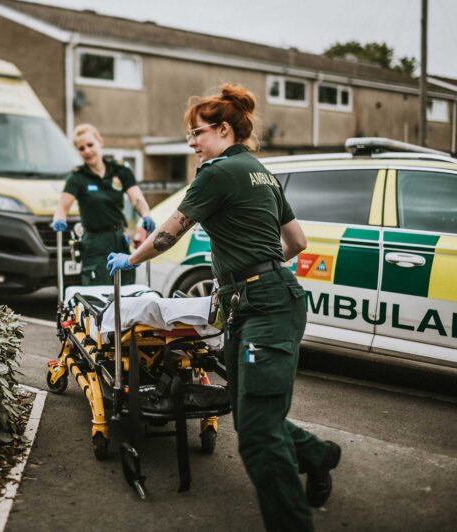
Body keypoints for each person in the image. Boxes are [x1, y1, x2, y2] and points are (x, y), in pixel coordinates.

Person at [107, 84, 341, 531]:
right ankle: (318, 454)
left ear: (223, 130)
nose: (192, 143)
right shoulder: (260, 171)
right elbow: (297, 242)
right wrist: (260, 266)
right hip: (258, 300)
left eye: (197, 133)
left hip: (263, 306)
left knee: (256, 435)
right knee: (249, 410)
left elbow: (170, 233)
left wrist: (130, 260)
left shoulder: (215, 173)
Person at [52, 123, 154, 286]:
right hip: (94, 243)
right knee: (98, 292)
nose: (86, 151)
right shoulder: (78, 177)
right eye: (81, 148)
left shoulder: (120, 171)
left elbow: (137, 199)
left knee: (125, 289)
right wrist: (59, 219)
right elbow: (62, 206)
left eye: (90, 145)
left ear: (100, 141)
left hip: (120, 239)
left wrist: (146, 215)